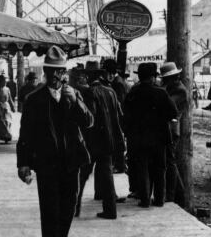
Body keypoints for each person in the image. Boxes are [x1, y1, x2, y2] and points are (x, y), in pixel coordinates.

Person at [17, 46, 94, 237]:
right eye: (51, 72)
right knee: (49, 208)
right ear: (45, 72)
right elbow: (25, 135)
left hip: (71, 161)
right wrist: (23, 164)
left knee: (69, 206)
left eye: (59, 72)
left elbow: (89, 121)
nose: (55, 77)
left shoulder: (74, 93)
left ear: (65, 73)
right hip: (47, 162)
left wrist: (76, 102)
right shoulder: (34, 100)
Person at [123, 62, 178, 208]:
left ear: (140, 77)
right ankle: (159, 200)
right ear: (153, 77)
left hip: (139, 138)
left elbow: (125, 116)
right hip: (159, 138)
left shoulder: (133, 93)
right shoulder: (161, 93)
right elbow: (173, 113)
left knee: (143, 168)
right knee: (160, 168)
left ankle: (145, 199)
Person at [76, 61, 126, 219]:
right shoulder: (111, 91)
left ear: (90, 76)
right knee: (107, 176)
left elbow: (89, 118)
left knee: (82, 175)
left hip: (92, 142)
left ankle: (74, 208)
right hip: (108, 142)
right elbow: (118, 117)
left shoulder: (89, 92)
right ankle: (110, 210)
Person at [159, 61, 186, 205]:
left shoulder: (180, 90)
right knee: (168, 162)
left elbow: (167, 106)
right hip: (166, 129)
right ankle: (176, 195)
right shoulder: (169, 88)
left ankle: (173, 196)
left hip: (171, 129)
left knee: (170, 162)